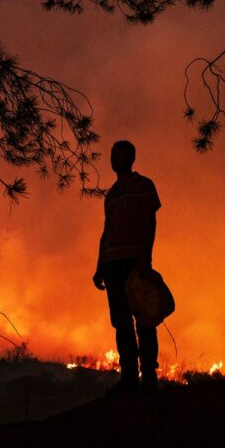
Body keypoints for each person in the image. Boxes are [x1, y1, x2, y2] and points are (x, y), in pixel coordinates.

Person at [92, 140, 161, 395]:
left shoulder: (144, 186)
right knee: (120, 321)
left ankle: (149, 375)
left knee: (143, 317)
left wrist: (146, 257)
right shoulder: (111, 195)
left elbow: (149, 222)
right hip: (111, 263)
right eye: (112, 155)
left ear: (131, 158)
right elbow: (106, 231)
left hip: (134, 260)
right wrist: (99, 266)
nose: (114, 160)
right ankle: (130, 376)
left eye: (118, 155)